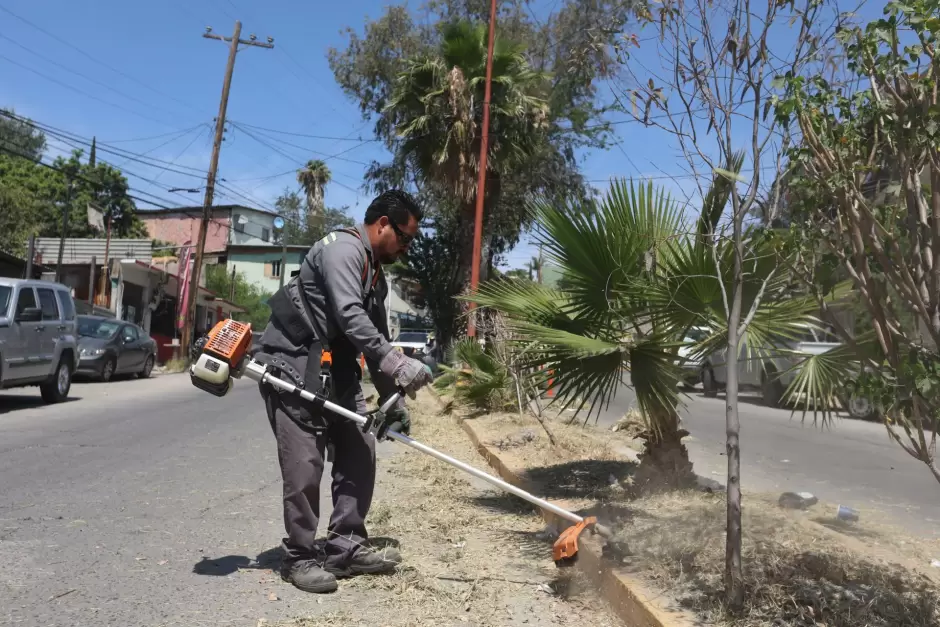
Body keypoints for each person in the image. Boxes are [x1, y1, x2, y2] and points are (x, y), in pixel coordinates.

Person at [254, 190, 433, 594]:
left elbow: (375, 338)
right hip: (295, 363)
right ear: (382, 224)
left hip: (338, 371)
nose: (406, 247)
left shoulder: (375, 275)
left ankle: (345, 546)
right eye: (404, 237)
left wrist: (395, 400)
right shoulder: (343, 251)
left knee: (358, 450)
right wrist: (399, 363)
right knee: (305, 466)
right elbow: (350, 316)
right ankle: (299, 556)